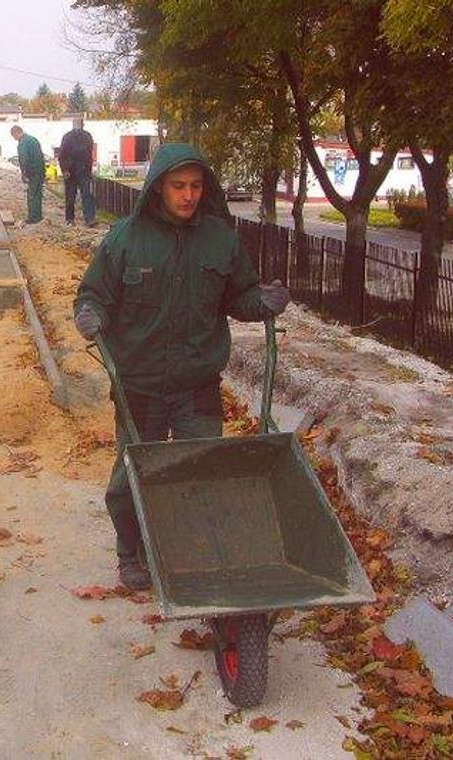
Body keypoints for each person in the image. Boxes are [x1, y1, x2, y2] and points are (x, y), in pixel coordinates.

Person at [72, 143, 290, 590]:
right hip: (140, 382)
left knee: (203, 468)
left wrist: (263, 301)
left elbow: (238, 297)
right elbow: (93, 294)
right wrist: (89, 314)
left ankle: (195, 549)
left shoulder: (220, 240)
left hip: (197, 383)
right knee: (135, 469)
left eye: (195, 186)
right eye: (178, 186)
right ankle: (129, 551)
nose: (188, 195)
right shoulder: (125, 240)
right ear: (158, 188)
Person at [59, 117, 97, 227]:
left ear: (83, 125)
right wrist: (65, 170)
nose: (78, 127)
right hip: (70, 170)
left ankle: (90, 219)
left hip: (84, 170)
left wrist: (89, 171)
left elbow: (89, 156)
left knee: (87, 195)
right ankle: (70, 219)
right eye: (76, 124)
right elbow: (62, 156)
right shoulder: (67, 137)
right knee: (70, 196)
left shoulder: (87, 136)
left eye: (79, 124)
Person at [11, 125, 44, 223]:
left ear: (16, 133)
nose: (14, 139)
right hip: (40, 171)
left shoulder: (23, 143)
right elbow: (41, 156)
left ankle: (33, 217)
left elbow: (23, 159)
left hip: (32, 172)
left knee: (31, 195)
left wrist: (24, 173)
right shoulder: (33, 139)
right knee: (38, 194)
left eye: (14, 136)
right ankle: (38, 215)